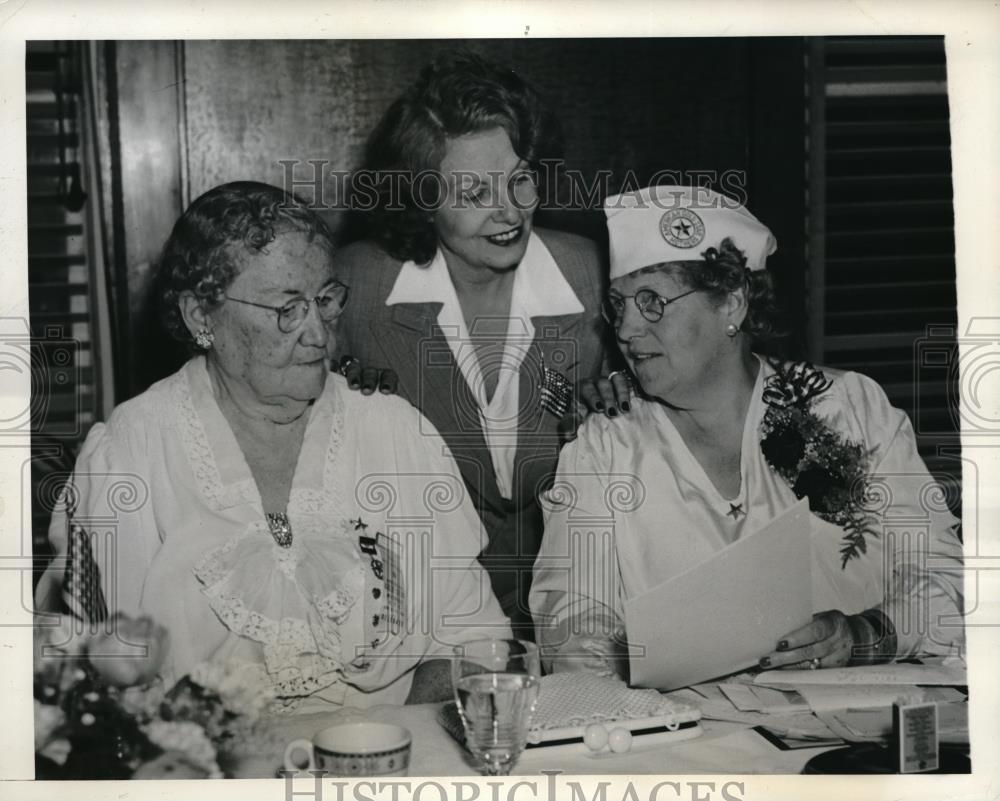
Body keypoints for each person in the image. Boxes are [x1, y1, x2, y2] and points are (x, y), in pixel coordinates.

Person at [35, 181, 511, 712]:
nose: (319, 335)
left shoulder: (395, 433)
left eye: (325, 300)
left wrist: (405, 742)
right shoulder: (134, 452)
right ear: (201, 316)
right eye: (287, 308)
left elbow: (472, 642)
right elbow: (87, 671)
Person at [530, 185, 965, 679]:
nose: (627, 330)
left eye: (652, 302)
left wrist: (865, 635)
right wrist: (626, 656)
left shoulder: (850, 410)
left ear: (732, 304)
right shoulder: (606, 447)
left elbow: (948, 581)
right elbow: (568, 615)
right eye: (618, 304)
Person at [333, 51, 609, 636]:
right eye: (473, 192)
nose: (509, 211)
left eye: (520, 180)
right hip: (420, 618)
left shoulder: (589, 278)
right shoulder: (357, 288)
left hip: (574, 609)